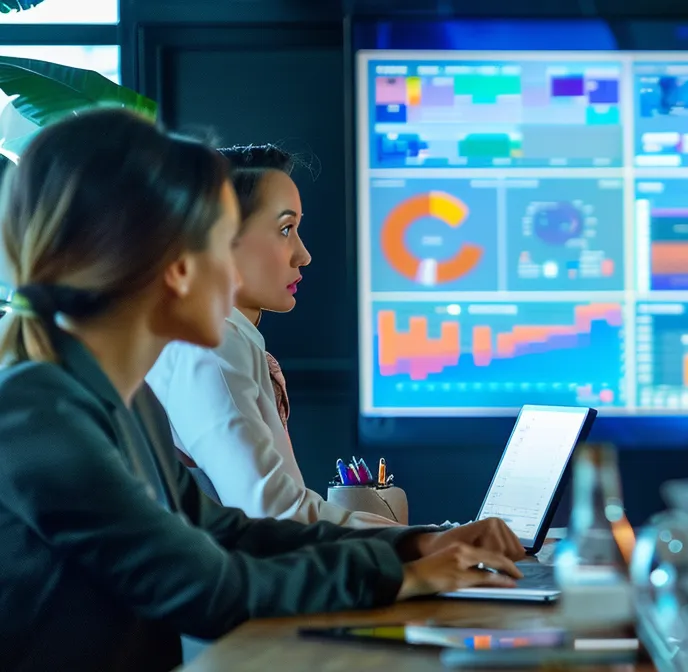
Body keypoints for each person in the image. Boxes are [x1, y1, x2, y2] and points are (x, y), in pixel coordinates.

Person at [0, 108, 527, 671]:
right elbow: (206, 589)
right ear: (176, 268)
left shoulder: (127, 402)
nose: (233, 274)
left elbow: (221, 530)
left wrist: (412, 545)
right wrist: (401, 575)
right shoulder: (38, 416)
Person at [146, 144, 394, 526]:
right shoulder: (210, 349)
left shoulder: (217, 339)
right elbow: (274, 514)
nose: (304, 255)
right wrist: (422, 542)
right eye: (284, 230)